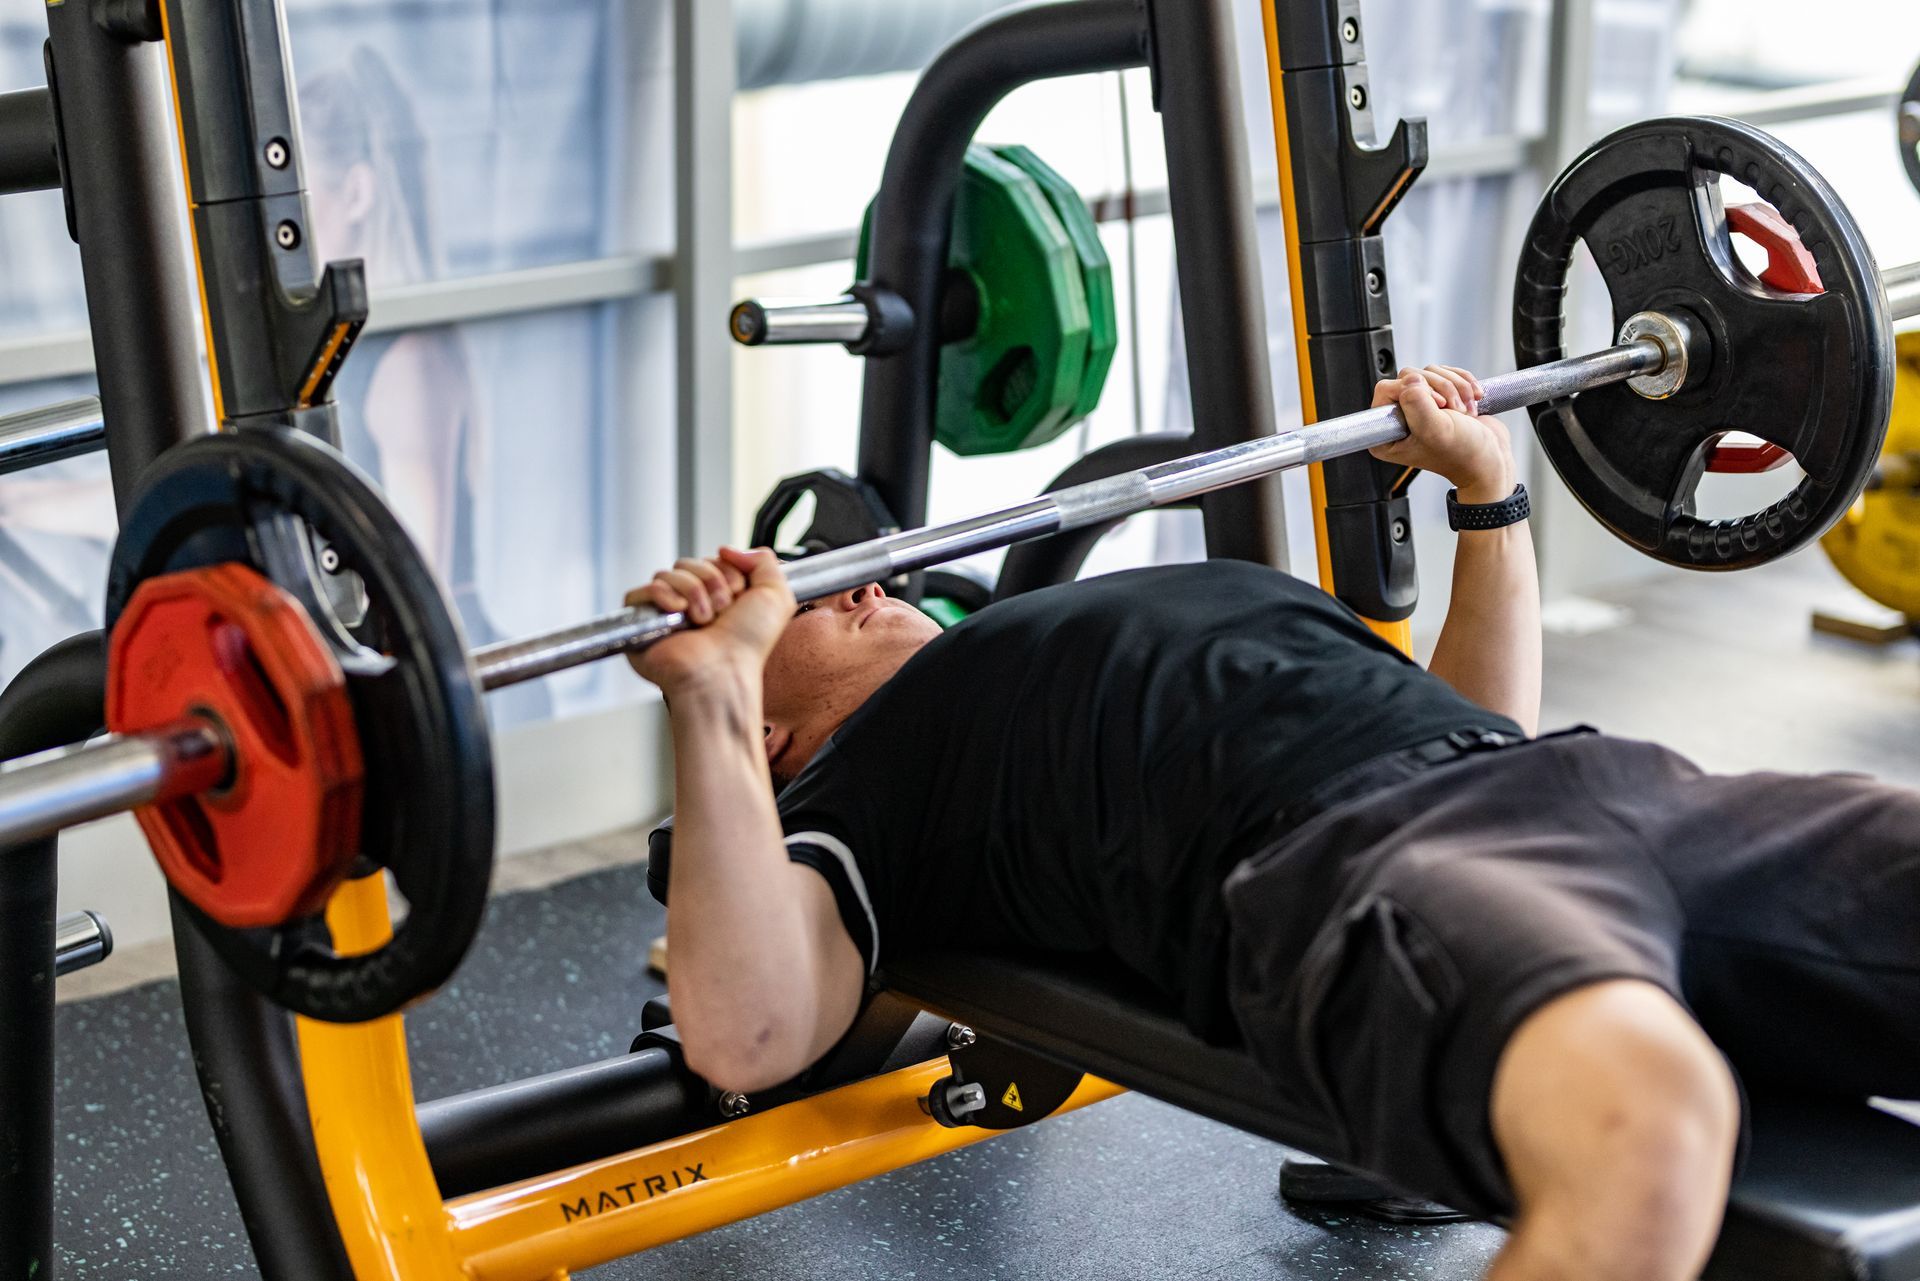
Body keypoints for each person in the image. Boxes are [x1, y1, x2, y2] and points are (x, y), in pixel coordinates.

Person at [627, 366, 1920, 1281]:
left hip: (1600, 787)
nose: (857, 583)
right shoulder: (859, 789)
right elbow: (746, 1028)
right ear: (778, 734)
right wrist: (711, 689)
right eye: (792, 602)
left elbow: (1474, 719)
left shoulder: (1047, 633)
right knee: (1650, 1131)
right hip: (1362, 862)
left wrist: (1485, 497)